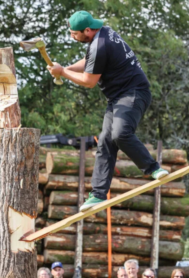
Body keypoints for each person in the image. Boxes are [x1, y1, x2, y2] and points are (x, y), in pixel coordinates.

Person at [47, 10, 169, 211]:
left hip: (134, 93)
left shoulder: (100, 45)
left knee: (120, 134)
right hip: (118, 97)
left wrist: (63, 73)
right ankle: (98, 194)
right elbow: (90, 63)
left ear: (87, 30)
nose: (72, 36)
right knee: (105, 140)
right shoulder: (102, 33)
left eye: (74, 33)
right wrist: (66, 67)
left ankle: (153, 168)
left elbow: (89, 81)